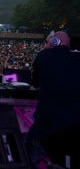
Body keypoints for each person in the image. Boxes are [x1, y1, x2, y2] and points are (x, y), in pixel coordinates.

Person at [25, 31, 80, 168]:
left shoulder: (44, 55)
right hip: (74, 126)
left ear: (54, 42)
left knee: (28, 155)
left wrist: (47, 47)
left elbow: (35, 82)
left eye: (48, 41)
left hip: (47, 125)